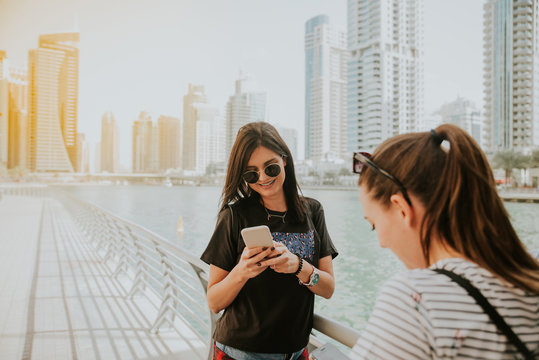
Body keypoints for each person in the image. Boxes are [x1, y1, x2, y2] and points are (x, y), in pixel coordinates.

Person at [350, 124, 539, 359]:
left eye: (374, 224)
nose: (381, 242)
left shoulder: (415, 300)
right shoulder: (531, 268)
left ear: (401, 209)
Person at [201, 122, 338, 360]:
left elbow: (328, 288)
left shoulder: (312, 211)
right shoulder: (234, 216)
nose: (263, 178)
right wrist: (242, 272)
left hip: (296, 352)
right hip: (240, 353)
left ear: (284, 160)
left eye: (271, 168)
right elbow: (214, 302)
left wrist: (298, 266)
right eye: (251, 173)